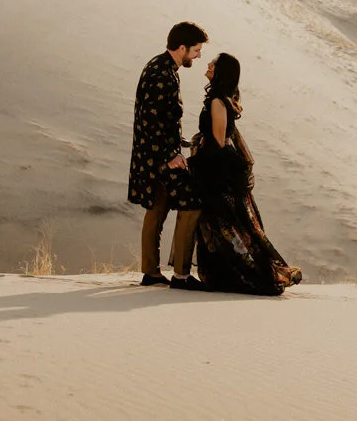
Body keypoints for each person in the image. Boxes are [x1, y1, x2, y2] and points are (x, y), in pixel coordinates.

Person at [188, 53, 302, 296]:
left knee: (223, 223)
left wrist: (210, 170)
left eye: (214, 63)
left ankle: (242, 275)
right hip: (215, 167)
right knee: (227, 223)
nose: (208, 64)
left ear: (221, 72)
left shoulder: (218, 101)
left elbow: (219, 140)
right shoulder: (221, 99)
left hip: (214, 171)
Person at [128, 21, 208, 289]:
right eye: (195, 51)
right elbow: (151, 120)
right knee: (191, 205)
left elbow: (161, 117)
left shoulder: (161, 67)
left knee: (157, 208)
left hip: (154, 155)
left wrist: (180, 142)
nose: (198, 56)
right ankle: (182, 275)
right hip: (159, 158)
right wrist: (170, 154)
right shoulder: (162, 73)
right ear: (182, 47)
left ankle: (151, 273)